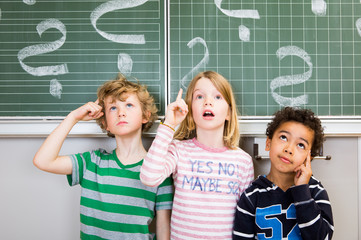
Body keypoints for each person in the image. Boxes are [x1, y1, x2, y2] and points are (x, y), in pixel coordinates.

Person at [33, 74, 173, 240]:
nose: (121, 113)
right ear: (105, 122)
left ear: (145, 116)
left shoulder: (159, 170)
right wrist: (73, 117)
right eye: (113, 108)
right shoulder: (91, 162)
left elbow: (164, 229)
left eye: (129, 105)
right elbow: (43, 161)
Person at [140, 71, 254, 239]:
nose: (208, 102)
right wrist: (169, 124)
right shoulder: (179, 150)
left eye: (217, 97)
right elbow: (149, 178)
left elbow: (246, 217)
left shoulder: (242, 161)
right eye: (199, 97)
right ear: (191, 111)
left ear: (229, 113)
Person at [232, 107, 334, 240]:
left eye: (301, 145)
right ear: (268, 143)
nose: (289, 149)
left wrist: (302, 192)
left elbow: (323, 238)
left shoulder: (315, 191)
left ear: (309, 157)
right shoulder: (252, 197)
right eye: (284, 137)